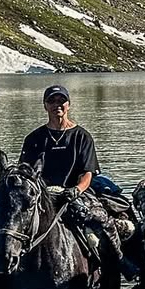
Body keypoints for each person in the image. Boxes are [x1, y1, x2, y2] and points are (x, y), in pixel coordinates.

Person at [19, 84, 134, 276]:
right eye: (52, 101)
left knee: (101, 219)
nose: (57, 105)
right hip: (42, 195)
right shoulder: (34, 139)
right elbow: (26, 175)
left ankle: (120, 260)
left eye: (61, 101)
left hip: (75, 193)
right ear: (45, 105)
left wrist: (77, 190)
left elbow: (88, 173)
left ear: (68, 105)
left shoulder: (82, 136)